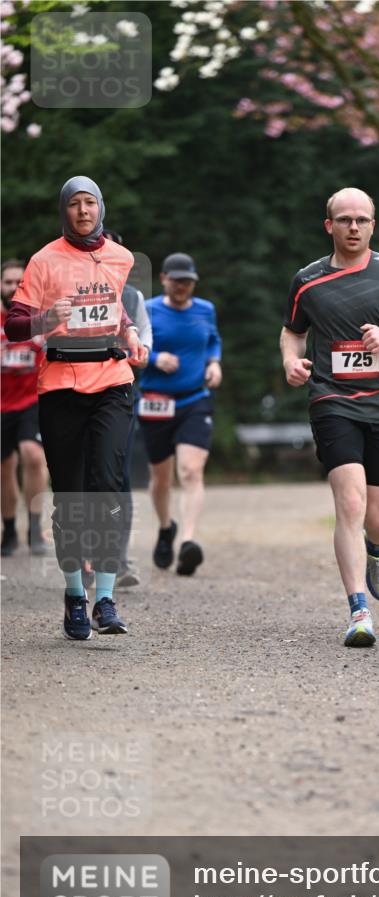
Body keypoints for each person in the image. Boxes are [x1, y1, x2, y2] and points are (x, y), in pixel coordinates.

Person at [280, 187, 379, 648]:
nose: (354, 227)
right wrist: (291, 361)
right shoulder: (307, 280)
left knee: (378, 516)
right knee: (349, 503)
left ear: (373, 224)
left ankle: (377, 550)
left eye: (362, 220)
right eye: (344, 220)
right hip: (331, 401)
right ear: (329, 226)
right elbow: (292, 333)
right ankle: (358, 611)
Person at [5, 176, 147, 638]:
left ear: (101, 208)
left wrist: (128, 333)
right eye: (75, 204)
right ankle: (74, 596)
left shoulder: (122, 258)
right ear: (64, 210)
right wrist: (49, 318)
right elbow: (15, 325)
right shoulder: (45, 261)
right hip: (61, 385)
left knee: (106, 490)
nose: (83, 211)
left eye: (90, 203)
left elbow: (114, 308)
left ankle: (105, 598)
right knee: (69, 499)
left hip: (111, 380)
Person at [140, 252, 222, 576]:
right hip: (155, 401)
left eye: (187, 281)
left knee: (190, 470)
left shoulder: (206, 310)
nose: (182, 286)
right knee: (161, 478)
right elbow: (133, 347)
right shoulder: (147, 310)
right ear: (163, 279)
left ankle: (188, 542)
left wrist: (214, 363)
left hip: (194, 399)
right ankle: (165, 528)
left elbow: (213, 340)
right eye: (176, 281)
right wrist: (156, 358)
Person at [102, 229, 152, 588]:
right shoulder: (73, 290)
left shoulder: (134, 297)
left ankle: (118, 559)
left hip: (118, 392)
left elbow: (145, 338)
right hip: (73, 393)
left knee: (119, 477)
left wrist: (140, 351)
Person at [1, 259, 49, 557]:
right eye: (7, 282)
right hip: (1, 405)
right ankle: (9, 530)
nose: (13, 287)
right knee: (4, 467)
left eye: (19, 282)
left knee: (33, 455)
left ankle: (34, 526)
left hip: (33, 400)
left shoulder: (38, 320)